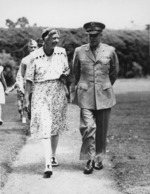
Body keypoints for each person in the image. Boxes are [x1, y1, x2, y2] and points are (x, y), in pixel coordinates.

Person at [70, 22, 119, 174]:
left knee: (102, 130)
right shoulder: (79, 51)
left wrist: (105, 85)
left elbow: (114, 72)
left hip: (104, 95)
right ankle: (89, 159)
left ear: (101, 35)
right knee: (88, 127)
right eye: (90, 35)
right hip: (85, 95)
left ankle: (99, 158)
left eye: (95, 35)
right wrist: (79, 85)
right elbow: (76, 71)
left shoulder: (110, 51)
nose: (92, 38)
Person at [24, 28, 70, 178]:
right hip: (40, 93)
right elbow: (29, 79)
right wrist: (26, 99)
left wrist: (65, 75)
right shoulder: (34, 56)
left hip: (58, 91)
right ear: (44, 39)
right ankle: (47, 164)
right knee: (44, 126)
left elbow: (67, 69)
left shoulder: (62, 52)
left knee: (54, 126)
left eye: (58, 38)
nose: (56, 40)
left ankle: (53, 156)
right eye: (53, 38)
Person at [16, 39, 38, 123]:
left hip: (40, 87)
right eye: (31, 47)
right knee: (30, 109)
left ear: (37, 47)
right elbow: (20, 75)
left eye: (34, 47)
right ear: (28, 48)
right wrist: (21, 87)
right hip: (29, 88)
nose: (33, 49)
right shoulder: (25, 60)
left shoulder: (43, 59)